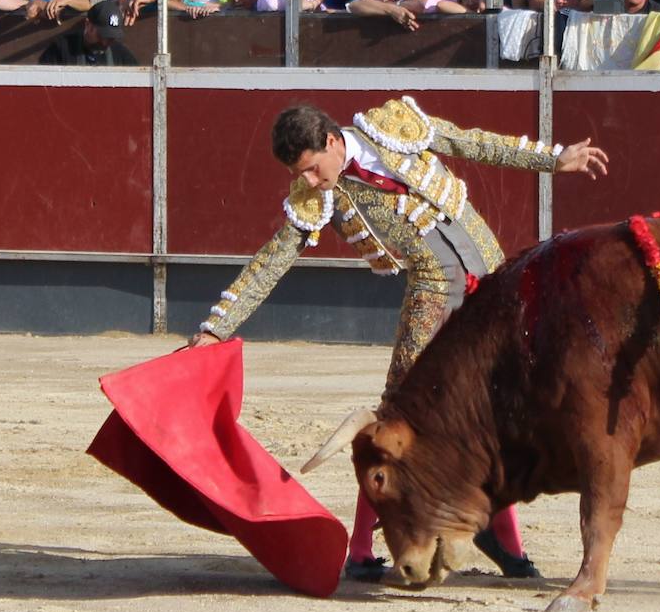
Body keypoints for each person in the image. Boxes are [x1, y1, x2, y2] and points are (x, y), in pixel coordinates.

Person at [188, 99, 609, 581]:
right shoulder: (317, 198)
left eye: (311, 168)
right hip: (433, 297)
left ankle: (499, 535)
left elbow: (471, 142)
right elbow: (272, 260)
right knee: (394, 425)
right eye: (298, 173)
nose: (308, 180)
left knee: (496, 410)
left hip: (492, 287)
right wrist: (217, 326)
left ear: (331, 141)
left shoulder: (393, 127)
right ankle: (361, 548)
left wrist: (552, 158)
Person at [39, 0, 139, 64]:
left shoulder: (121, 55)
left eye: (111, 38)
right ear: (87, 24)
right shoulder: (61, 49)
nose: (105, 42)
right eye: (101, 35)